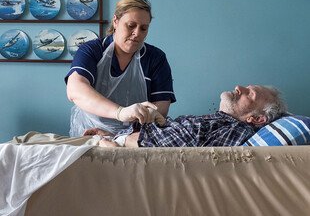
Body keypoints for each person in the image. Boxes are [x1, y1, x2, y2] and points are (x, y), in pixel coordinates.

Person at [65, 0, 176, 137]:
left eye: (143, 28)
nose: (137, 33)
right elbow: (75, 90)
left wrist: (144, 119)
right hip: (90, 134)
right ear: (116, 21)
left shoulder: (155, 58)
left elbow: (162, 105)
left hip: (134, 137)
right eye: (131, 26)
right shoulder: (92, 50)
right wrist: (120, 112)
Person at [84, 84, 288, 147]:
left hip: (118, 152)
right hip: (116, 140)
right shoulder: (220, 121)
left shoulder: (236, 129)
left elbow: (185, 156)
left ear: (257, 119)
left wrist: (109, 145)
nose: (239, 87)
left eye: (250, 94)